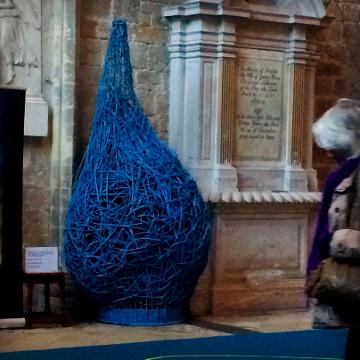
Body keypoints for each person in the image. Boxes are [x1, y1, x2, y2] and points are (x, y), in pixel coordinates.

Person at [306, 98, 360, 359]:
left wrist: (326, 249)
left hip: (347, 282)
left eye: (331, 145)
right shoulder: (343, 173)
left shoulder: (347, 175)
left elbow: (335, 234)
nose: (327, 153)